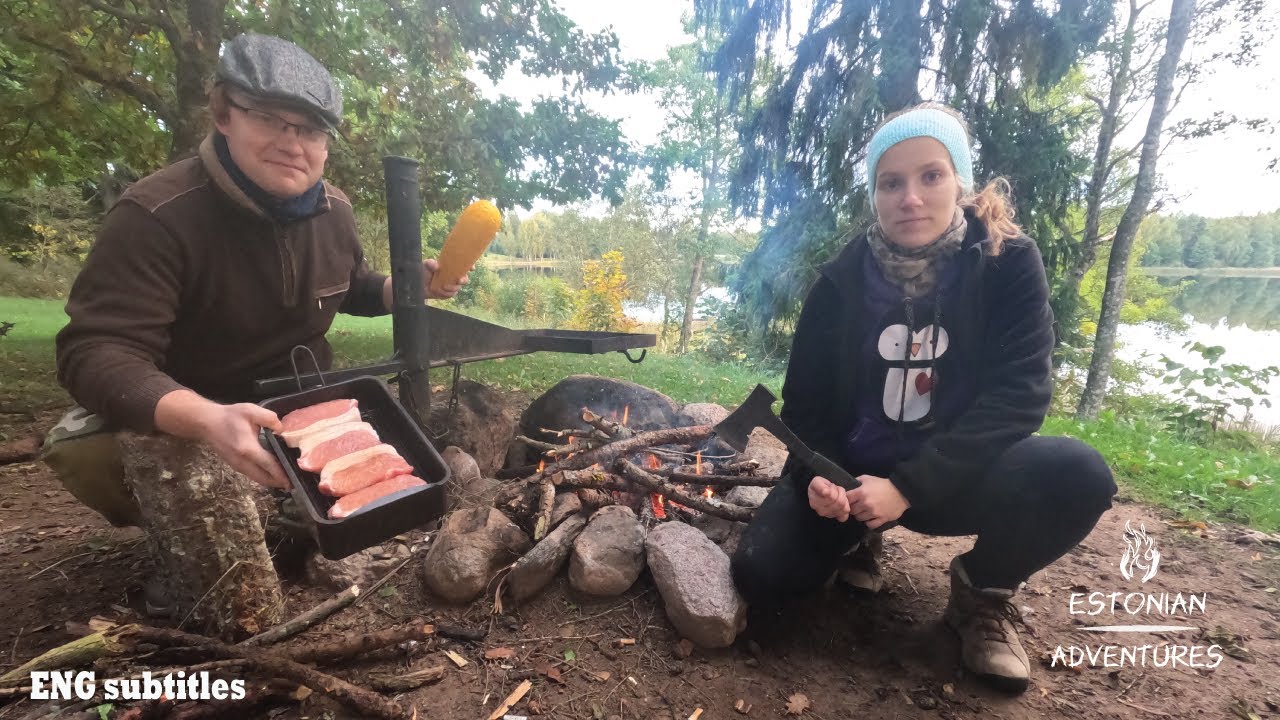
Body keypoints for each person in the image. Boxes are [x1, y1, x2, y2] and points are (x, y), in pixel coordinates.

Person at [730, 103, 1117, 693]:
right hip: (855, 482)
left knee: (1077, 475)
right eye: (891, 182)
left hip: (958, 478)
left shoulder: (1008, 264)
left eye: (930, 175)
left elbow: (1020, 396)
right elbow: (806, 406)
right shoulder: (839, 283)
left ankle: (981, 592)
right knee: (763, 575)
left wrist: (909, 487)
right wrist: (819, 476)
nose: (910, 197)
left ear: (959, 183)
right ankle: (859, 539)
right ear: (875, 195)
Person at [43, 33, 465, 529]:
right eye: (268, 119)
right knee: (84, 453)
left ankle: (291, 513)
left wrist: (404, 288)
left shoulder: (335, 209)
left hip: (301, 401)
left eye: (311, 130)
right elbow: (95, 350)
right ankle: (198, 531)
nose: (292, 143)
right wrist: (205, 418)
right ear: (224, 115)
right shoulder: (156, 214)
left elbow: (349, 286)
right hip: (199, 407)